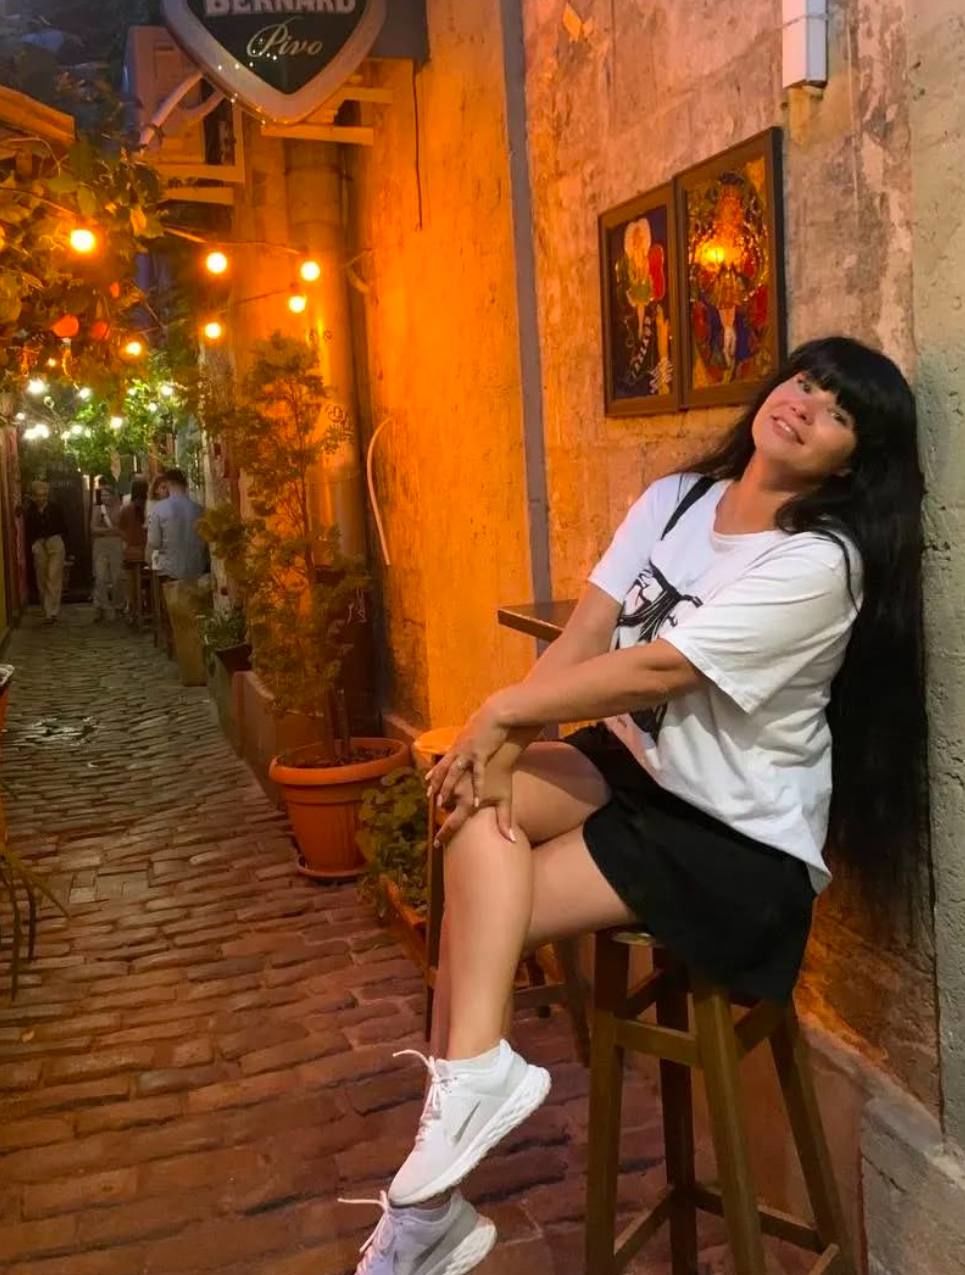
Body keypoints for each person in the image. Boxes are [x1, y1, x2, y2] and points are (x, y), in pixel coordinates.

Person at [347, 337, 926, 1275]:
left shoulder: (823, 561)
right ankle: (465, 1112)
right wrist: (502, 741)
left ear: (852, 461)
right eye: (804, 382)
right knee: (473, 802)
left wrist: (501, 714)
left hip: (728, 835)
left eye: (838, 413)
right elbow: (585, 635)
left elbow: (661, 667)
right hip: (630, 772)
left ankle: (433, 1203)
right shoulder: (677, 500)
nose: (805, 405)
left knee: (479, 919)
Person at [146, 467, 207, 582]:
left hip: (169, 570)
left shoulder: (159, 509)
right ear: (185, 484)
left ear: (168, 484)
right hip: (197, 570)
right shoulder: (199, 510)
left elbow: (154, 542)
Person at [24, 480, 67, 624]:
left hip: (54, 541)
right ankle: (46, 608)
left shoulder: (55, 508)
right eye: (38, 495)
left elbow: (63, 526)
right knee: (41, 577)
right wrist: (34, 543)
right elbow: (28, 530)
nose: (41, 498)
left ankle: (52, 612)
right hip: (38, 544)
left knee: (53, 576)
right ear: (33, 496)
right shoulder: (30, 511)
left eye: (44, 495)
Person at [90, 478, 125, 622]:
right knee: (100, 577)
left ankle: (118, 605)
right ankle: (101, 606)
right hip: (100, 545)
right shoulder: (98, 509)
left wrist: (109, 531)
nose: (104, 498)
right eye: (103, 495)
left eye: (107, 495)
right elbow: (93, 528)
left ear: (113, 495)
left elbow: (122, 529)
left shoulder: (120, 508)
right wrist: (109, 531)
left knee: (117, 577)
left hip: (116, 545)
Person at [118, 477, 149, 627]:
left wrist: (128, 540)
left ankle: (133, 610)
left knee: (131, 583)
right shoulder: (148, 508)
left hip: (131, 552)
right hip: (147, 551)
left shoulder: (126, 509)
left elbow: (120, 529)